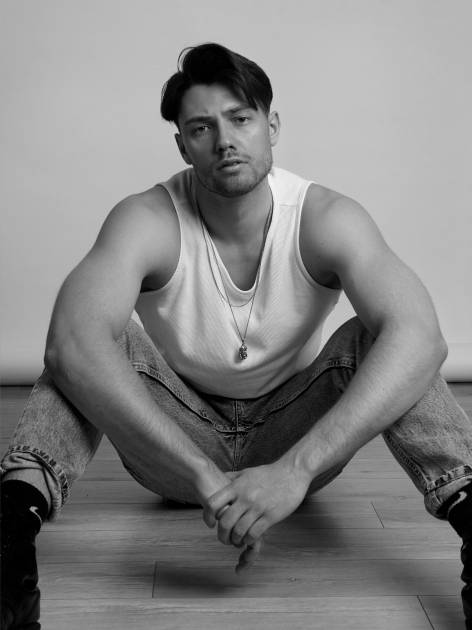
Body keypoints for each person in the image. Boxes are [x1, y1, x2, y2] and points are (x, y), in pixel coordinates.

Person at [1, 42, 471, 630]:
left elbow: (423, 339)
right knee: (87, 339)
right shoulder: (147, 218)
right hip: (176, 446)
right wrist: (200, 474)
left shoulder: (325, 217)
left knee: (392, 336)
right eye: (202, 127)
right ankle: (9, 549)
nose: (224, 140)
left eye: (240, 119)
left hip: (294, 439)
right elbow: (70, 346)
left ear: (271, 126)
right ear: (182, 144)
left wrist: (295, 470)